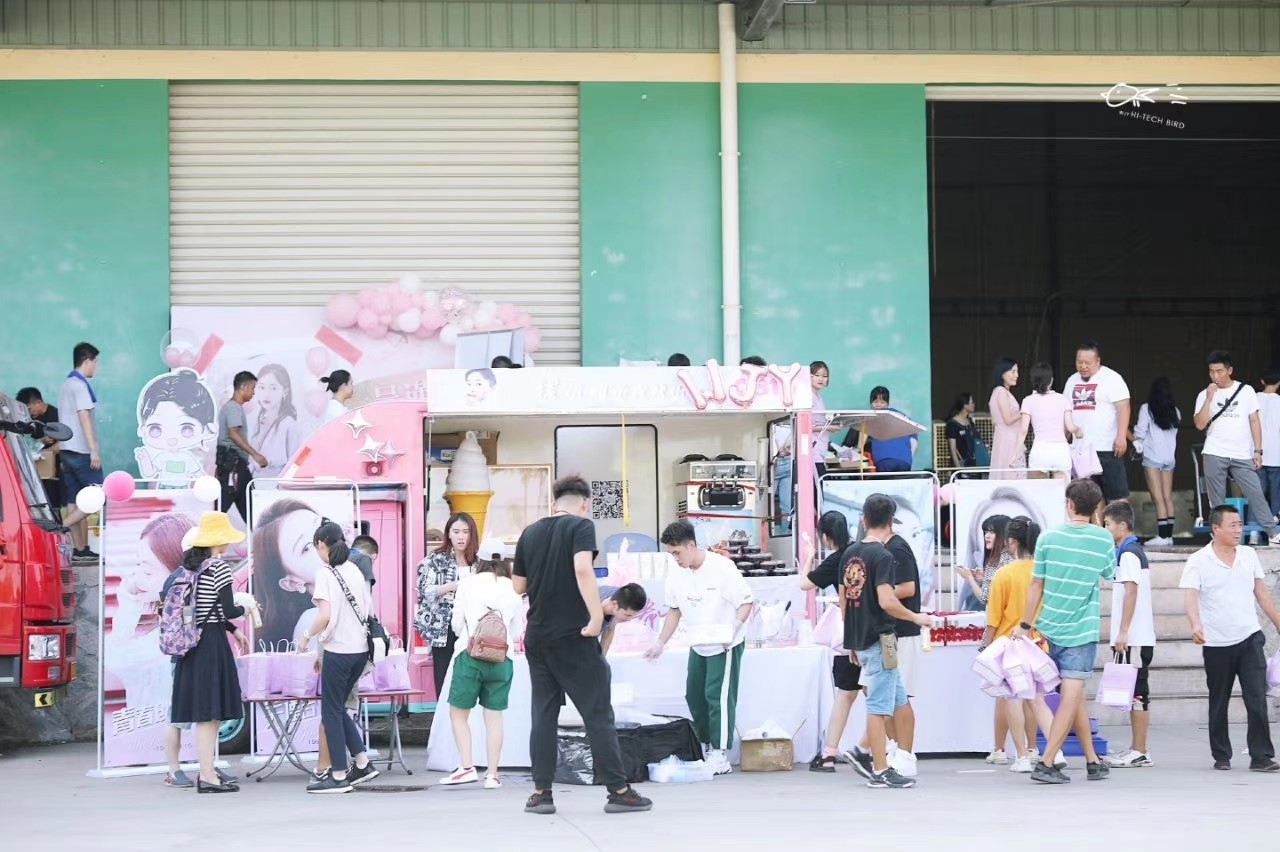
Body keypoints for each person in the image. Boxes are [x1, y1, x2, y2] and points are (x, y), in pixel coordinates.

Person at [513, 475, 653, 815]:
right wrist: (594, 617)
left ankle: (542, 793)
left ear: (555, 500)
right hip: (573, 635)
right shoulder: (580, 527)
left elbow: (519, 586)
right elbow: (582, 570)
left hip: (538, 636)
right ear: (584, 503)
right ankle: (619, 790)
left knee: (543, 715)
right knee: (598, 714)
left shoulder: (529, 533)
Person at [1013, 479, 1114, 785]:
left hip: (1046, 628)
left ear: (1069, 504)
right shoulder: (1103, 539)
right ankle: (1046, 762)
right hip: (1080, 631)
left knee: (1074, 697)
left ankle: (1093, 761)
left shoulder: (1048, 538)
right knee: (1072, 696)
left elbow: (1036, 585)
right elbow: (1109, 573)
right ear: (1096, 508)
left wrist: (1025, 625)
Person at [836, 494, 932, 788]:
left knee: (898, 698)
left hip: (861, 638)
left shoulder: (850, 554)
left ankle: (896, 756)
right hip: (880, 639)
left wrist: (850, 639)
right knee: (879, 708)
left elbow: (846, 599)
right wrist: (916, 617)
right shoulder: (883, 556)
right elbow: (887, 600)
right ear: (892, 521)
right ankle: (880, 769)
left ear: (863, 519)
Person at [647, 520, 754, 776]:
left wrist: (733, 628)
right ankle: (706, 744)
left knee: (717, 697)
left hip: (724, 643)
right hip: (698, 642)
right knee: (694, 695)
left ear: (691, 546)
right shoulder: (675, 573)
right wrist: (660, 642)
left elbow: (746, 602)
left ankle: (720, 753)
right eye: (671, 553)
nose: (675, 558)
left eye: (677, 552)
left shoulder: (722, 568)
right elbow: (674, 611)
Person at [1180, 504, 1280, 771]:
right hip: (1216, 643)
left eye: (1239, 525)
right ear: (1216, 529)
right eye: (1233, 525)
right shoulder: (1198, 560)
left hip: (1249, 637)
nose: (1239, 530)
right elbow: (1190, 595)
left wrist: (1279, 623)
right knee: (1219, 700)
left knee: (1256, 697)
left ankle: (1261, 756)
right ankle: (1221, 755)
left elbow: (1261, 593)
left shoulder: (1248, 555)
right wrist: (1195, 624)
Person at [168, 511, 250, 793]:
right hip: (211, 642)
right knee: (209, 713)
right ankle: (207, 776)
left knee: (207, 712)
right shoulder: (218, 568)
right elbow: (228, 609)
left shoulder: (192, 567)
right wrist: (245, 609)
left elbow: (201, 610)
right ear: (220, 540)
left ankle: (208, 770)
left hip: (192, 644)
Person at [298, 521, 380, 793]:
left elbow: (324, 616)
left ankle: (338, 774)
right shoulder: (356, 571)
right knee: (339, 707)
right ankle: (362, 762)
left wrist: (306, 636)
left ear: (322, 545)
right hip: (359, 651)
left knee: (330, 711)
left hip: (339, 650)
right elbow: (368, 609)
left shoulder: (326, 574)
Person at [980, 517, 1060, 774]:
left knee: (1013, 698)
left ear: (1011, 542)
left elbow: (993, 619)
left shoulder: (1003, 575)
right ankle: (1048, 751)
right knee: (1037, 699)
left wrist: (984, 646)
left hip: (1010, 645)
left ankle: (1022, 755)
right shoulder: (1043, 571)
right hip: (1038, 643)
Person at [439, 557, 523, 789]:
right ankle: (493, 774)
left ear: (480, 561)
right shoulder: (513, 587)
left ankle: (466, 768)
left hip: (470, 655)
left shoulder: (467, 583)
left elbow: (456, 625)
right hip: (502, 659)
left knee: (458, 715)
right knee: (494, 718)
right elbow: (516, 632)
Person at [1194, 351, 1280, 544]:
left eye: (1219, 371)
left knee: (1255, 492)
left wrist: (1258, 450)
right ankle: (1219, 536)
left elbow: (1254, 421)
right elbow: (1199, 424)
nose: (1216, 376)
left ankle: (1273, 532)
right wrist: (1209, 398)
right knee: (1217, 499)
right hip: (1214, 451)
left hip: (1241, 453)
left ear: (1229, 370)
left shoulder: (1246, 391)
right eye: (1212, 372)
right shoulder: (1204, 394)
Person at [800, 511, 862, 773]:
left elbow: (804, 583)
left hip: (848, 636)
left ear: (825, 537)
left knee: (845, 695)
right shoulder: (860, 554)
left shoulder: (836, 560)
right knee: (881, 698)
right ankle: (884, 750)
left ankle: (829, 755)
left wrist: (810, 556)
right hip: (869, 632)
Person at [1102, 500, 1157, 768]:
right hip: (1133, 635)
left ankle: (1140, 750)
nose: (1106, 528)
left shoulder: (1129, 554)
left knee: (1138, 693)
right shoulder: (1127, 551)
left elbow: (1131, 591)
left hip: (1135, 636)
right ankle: (1136, 747)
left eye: (1108, 524)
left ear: (1122, 526)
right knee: (1134, 691)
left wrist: (1123, 631)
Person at [244, 498, 324, 647]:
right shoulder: (312, 621)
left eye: (323, 526)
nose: (325, 540)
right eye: (306, 547)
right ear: (291, 582)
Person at [415, 512, 478, 698]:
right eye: (456, 531)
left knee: (469, 673)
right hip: (443, 626)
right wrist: (454, 586)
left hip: (472, 626)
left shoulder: (479, 561)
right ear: (448, 534)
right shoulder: (435, 559)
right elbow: (424, 591)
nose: (461, 536)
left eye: (465, 532)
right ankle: (445, 720)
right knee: (443, 675)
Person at [1062, 340, 1132, 502]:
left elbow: (1124, 408)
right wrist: (1062, 440)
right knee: (1089, 499)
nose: (1083, 366)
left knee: (1117, 495)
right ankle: (1097, 527)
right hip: (1080, 449)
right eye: (1079, 362)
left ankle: (1119, 527)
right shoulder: (1072, 380)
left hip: (1107, 447)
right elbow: (1066, 412)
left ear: (1098, 361)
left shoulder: (1112, 378)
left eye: (1088, 363)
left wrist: (1121, 437)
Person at [57, 342, 104, 562]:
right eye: (95, 362)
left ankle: (80, 549)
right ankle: (59, 528)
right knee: (98, 497)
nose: (96, 367)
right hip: (81, 452)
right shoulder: (79, 385)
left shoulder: (66, 384)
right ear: (87, 361)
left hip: (66, 450)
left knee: (75, 502)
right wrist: (94, 450)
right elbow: (84, 416)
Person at [134, 369, 217, 488]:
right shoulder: (162, 457)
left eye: (187, 429)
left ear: (208, 430)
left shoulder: (187, 458)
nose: (172, 439)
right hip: (163, 488)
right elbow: (149, 473)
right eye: (156, 429)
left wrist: (207, 486)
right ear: (143, 430)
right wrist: (144, 460)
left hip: (183, 489)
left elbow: (199, 475)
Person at [215, 371, 267, 523]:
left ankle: (257, 540)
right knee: (223, 508)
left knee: (249, 508)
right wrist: (256, 455)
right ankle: (203, 543)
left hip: (235, 464)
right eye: (252, 388)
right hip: (233, 464)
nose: (253, 393)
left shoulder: (233, 408)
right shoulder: (233, 408)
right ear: (243, 387)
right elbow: (233, 433)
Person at [1134, 377, 1181, 545]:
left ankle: (1162, 536)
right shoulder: (1175, 411)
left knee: (1158, 497)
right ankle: (1169, 536)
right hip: (1170, 458)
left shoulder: (1147, 409)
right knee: (1167, 497)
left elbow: (1139, 433)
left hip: (1153, 457)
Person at [1021, 362, 1083, 480]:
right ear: (1051, 380)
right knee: (1062, 491)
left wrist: (1015, 453)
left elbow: (1023, 430)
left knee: (1037, 490)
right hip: (1060, 450)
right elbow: (1070, 427)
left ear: (1033, 381)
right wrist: (1079, 430)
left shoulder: (1028, 400)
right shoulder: (1063, 399)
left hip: (1040, 449)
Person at [250, 364, 303, 479]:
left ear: (285, 391)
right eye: (261, 387)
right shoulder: (258, 421)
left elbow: (297, 463)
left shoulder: (289, 425)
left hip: (279, 489)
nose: (266, 394)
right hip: (255, 487)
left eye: (273, 388)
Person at [15, 387, 62, 515]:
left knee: (55, 505)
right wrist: (40, 442)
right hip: (35, 470)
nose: (29, 413)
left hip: (54, 469)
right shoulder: (29, 421)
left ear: (39, 402)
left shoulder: (56, 416)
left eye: (29, 409)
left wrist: (45, 453)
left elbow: (64, 444)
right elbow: (25, 443)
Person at [956, 514, 1012, 614]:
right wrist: (984, 577)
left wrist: (970, 578)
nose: (987, 536)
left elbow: (985, 598)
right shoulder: (1011, 557)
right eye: (986, 531)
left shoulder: (995, 561)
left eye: (992, 532)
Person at [988, 356, 1027, 479]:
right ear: (1002, 373)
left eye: (1017, 371)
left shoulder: (1000, 392)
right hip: (1009, 439)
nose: (1016, 375)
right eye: (1013, 371)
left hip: (1004, 437)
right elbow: (1008, 419)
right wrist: (1025, 410)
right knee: (1011, 472)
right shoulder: (1001, 392)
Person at [864, 386, 916, 472]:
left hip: (884, 461)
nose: (879, 405)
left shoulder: (870, 418)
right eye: (876, 402)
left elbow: (861, 441)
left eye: (882, 402)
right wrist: (909, 457)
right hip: (905, 462)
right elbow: (914, 438)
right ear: (871, 403)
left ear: (887, 403)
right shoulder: (901, 416)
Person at [598, 583, 648, 654]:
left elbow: (609, 630)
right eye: (628, 615)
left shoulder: (622, 598)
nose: (629, 619)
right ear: (614, 605)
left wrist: (602, 659)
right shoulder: (587, 612)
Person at [1259, 370, 1280, 524]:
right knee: (1276, 493)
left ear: (1262, 381)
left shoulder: (1253, 399)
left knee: (1257, 493)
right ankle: (1274, 526)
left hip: (1257, 453)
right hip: (1277, 454)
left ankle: (1253, 529)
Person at [944, 392, 978, 470]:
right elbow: (953, 448)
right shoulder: (952, 424)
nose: (974, 404)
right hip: (962, 463)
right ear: (965, 405)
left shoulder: (970, 422)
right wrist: (959, 469)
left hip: (973, 464)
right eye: (971, 402)